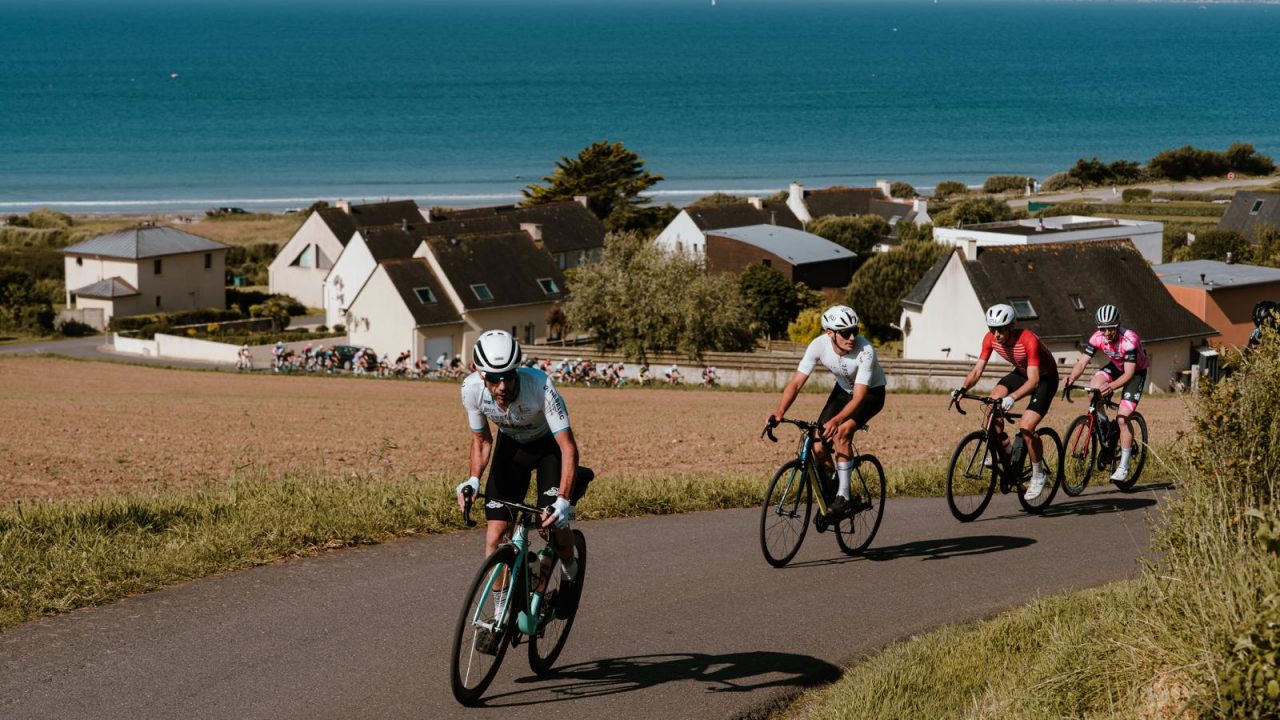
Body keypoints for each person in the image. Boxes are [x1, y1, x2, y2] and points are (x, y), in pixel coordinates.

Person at [454, 330, 589, 648]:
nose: (502, 387)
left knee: (551, 527)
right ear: (480, 374)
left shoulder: (540, 386)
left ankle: (570, 570)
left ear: (517, 371)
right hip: (510, 448)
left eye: (508, 377)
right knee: (495, 535)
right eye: (493, 378)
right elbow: (482, 441)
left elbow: (567, 448)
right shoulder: (471, 390)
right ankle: (499, 619)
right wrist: (473, 479)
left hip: (548, 452)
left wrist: (563, 502)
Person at [768, 305, 886, 520]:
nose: (852, 337)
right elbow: (796, 383)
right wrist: (779, 412)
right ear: (830, 333)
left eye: (855, 331)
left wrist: (837, 420)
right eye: (844, 333)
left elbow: (859, 397)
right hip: (843, 391)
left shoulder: (866, 351)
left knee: (842, 432)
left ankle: (844, 495)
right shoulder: (818, 346)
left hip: (870, 395)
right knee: (817, 443)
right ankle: (833, 490)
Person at [953, 303, 1059, 501]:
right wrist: (963, 389)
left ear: (1011, 327)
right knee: (992, 403)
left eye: (1001, 329)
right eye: (992, 329)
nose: (997, 334)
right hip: (1020, 373)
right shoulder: (990, 339)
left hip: (1044, 378)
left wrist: (1012, 397)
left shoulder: (1028, 340)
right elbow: (977, 371)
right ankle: (1006, 448)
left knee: (1027, 427)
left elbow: (1034, 380)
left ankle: (1038, 473)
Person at [1061, 304, 1149, 481]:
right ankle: (1105, 427)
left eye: (1111, 328)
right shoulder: (1097, 337)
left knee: (1123, 418)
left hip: (1135, 372)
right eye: (1103, 329)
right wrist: (1071, 378)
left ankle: (1123, 465)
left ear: (1118, 325)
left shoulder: (1129, 340)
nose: (1107, 333)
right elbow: (1082, 362)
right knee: (1093, 390)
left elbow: (1129, 373)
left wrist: (1112, 387)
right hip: (1116, 366)